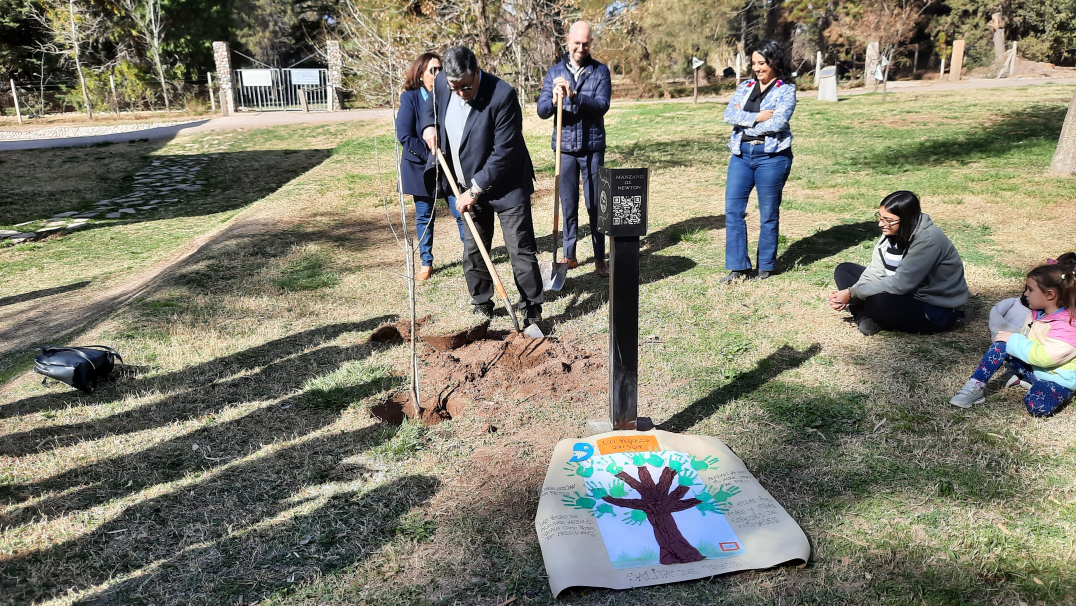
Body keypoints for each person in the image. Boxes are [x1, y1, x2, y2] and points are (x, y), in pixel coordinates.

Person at [420, 46, 543, 325]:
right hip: (464, 185)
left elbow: (504, 152)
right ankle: (481, 303)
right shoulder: (443, 82)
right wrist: (429, 126)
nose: (461, 93)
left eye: (466, 86)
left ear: (477, 72)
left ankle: (531, 310)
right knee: (474, 249)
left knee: (520, 250)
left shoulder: (502, 95)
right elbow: (431, 106)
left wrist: (475, 190)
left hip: (508, 185)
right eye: (455, 88)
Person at [829, 191, 969, 335]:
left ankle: (867, 314)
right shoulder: (890, 234)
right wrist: (852, 292)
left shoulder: (928, 240)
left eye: (888, 220)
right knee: (844, 270)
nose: (881, 224)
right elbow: (874, 271)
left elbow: (901, 284)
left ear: (907, 219)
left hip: (933, 309)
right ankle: (864, 318)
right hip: (900, 293)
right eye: (880, 217)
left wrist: (853, 293)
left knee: (876, 302)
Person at [536, 21, 612, 277]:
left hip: (592, 148)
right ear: (568, 41)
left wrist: (574, 96)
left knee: (595, 204)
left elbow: (602, 105)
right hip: (565, 149)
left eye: (586, 43)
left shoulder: (600, 71)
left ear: (591, 43)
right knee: (568, 205)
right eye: (577, 43)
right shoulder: (554, 72)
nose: (581, 47)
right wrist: (554, 99)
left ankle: (600, 258)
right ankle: (569, 255)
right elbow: (542, 110)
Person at [949, 263, 1076, 416]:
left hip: (1056, 379)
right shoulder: (1039, 313)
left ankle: (1032, 384)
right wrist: (1012, 340)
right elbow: (1028, 339)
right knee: (1002, 343)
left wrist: (1015, 340)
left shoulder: (1069, 326)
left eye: (1030, 290)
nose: (1025, 294)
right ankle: (975, 386)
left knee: (1037, 406)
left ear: (1050, 295)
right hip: (1035, 368)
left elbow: (1046, 357)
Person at [721, 39, 797, 283]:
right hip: (741, 155)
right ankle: (738, 267)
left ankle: (765, 267)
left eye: (762, 63)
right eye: (753, 63)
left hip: (772, 157)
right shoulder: (746, 86)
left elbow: (778, 123)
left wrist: (743, 124)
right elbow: (727, 114)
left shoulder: (786, 89)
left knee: (767, 213)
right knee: (733, 211)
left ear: (774, 62)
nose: (756, 68)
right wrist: (757, 118)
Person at [396, 52, 464, 281]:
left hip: (449, 166)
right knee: (425, 217)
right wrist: (431, 155)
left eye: (440, 70)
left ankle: (471, 255)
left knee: (461, 211)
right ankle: (426, 263)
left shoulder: (449, 95)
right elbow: (405, 136)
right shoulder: (410, 98)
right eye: (432, 71)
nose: (438, 74)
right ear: (420, 74)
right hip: (421, 167)